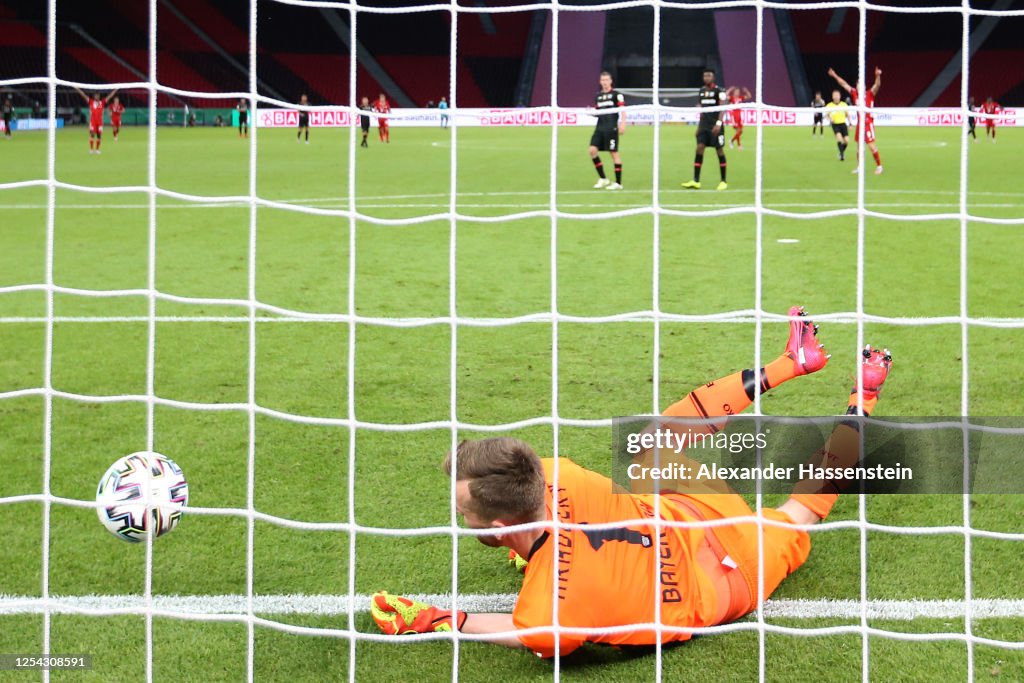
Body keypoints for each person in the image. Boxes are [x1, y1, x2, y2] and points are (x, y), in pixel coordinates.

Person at [370, 307, 894, 656]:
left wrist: (441, 619)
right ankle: (792, 365)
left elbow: (520, 629)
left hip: (732, 579)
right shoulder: (559, 474)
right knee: (647, 446)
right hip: (700, 512)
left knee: (801, 512)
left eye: (466, 513)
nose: (461, 516)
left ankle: (860, 402)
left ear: (503, 524)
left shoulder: (552, 608)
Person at [828, 66, 883, 175]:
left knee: (871, 146)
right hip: (860, 125)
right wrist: (834, 76)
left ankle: (879, 166)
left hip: (868, 124)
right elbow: (844, 84)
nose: (859, 86)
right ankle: (859, 167)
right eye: (858, 84)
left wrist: (877, 76)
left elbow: (877, 85)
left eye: (861, 85)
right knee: (859, 147)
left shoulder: (870, 94)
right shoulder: (854, 94)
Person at [681, 68, 728, 191]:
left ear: (713, 77)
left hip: (715, 126)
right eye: (705, 76)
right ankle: (696, 180)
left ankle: (723, 181)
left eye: (709, 75)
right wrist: (699, 126)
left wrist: (718, 123)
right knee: (699, 148)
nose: (707, 77)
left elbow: (723, 108)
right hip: (704, 126)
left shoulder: (720, 91)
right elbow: (702, 110)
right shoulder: (701, 91)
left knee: (719, 151)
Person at [589, 71, 627, 190]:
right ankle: (603, 179)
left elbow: (623, 110)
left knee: (614, 153)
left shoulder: (617, 95)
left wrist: (623, 124)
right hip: (599, 128)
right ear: (600, 82)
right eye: (603, 80)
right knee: (592, 150)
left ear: (610, 81)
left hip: (611, 128)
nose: (605, 82)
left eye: (607, 80)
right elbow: (598, 112)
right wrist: (592, 113)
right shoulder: (598, 96)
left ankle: (618, 183)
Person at [73, 87, 117, 154]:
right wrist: (77, 89)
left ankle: (97, 150)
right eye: (96, 95)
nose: (97, 96)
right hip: (93, 121)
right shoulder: (91, 101)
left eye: (98, 95)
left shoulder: (102, 102)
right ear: (94, 96)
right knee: (92, 134)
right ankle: (91, 149)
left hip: (100, 122)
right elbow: (83, 95)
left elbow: (110, 96)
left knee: (99, 135)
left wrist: (116, 89)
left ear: (99, 96)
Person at [825, 89, 850, 161]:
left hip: (843, 124)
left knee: (847, 141)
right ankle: (842, 156)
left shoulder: (843, 104)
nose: (836, 97)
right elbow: (826, 115)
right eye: (834, 95)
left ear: (840, 96)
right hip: (835, 124)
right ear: (832, 97)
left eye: (837, 95)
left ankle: (840, 152)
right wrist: (830, 119)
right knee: (839, 138)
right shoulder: (829, 105)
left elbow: (847, 114)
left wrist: (850, 123)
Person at [725, 85, 751, 149]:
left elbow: (749, 96)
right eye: (736, 92)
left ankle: (731, 141)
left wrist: (746, 91)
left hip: (739, 116)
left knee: (740, 131)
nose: (737, 93)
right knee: (738, 131)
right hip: (734, 116)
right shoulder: (731, 98)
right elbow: (725, 97)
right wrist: (730, 90)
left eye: (738, 92)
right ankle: (739, 145)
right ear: (734, 92)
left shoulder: (740, 98)